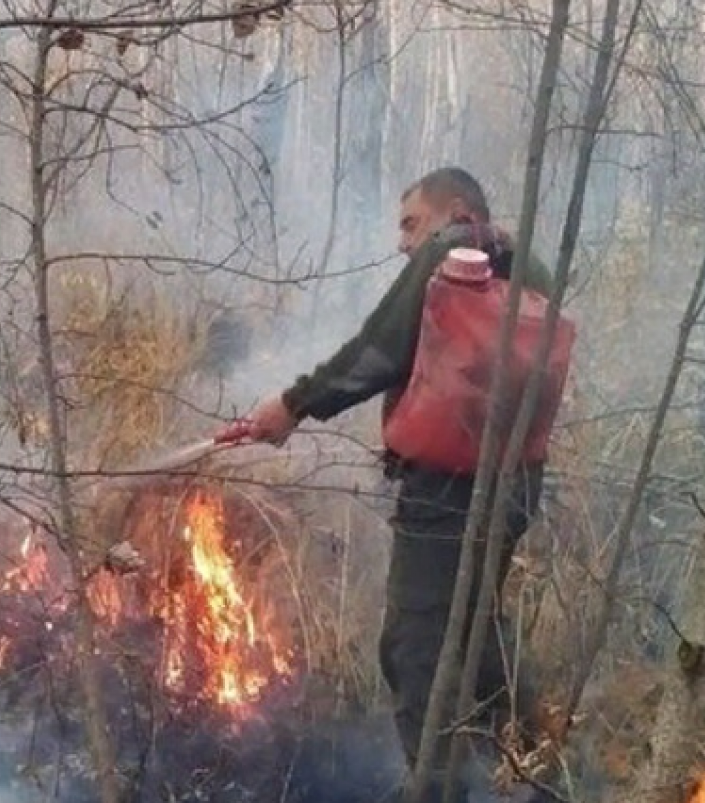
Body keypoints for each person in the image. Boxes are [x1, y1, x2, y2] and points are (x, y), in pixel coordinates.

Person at [246, 167, 553, 796]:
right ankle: (525, 753)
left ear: (459, 212)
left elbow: (380, 348)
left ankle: (438, 789)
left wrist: (295, 404)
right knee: (472, 626)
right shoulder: (533, 267)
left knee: (414, 647)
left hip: (444, 493)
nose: (403, 242)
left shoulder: (452, 250)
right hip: (516, 486)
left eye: (412, 222)